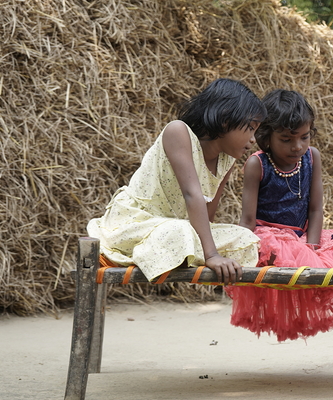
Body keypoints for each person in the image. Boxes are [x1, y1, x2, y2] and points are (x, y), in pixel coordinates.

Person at [226, 89, 333, 348]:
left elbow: (316, 209)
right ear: (266, 136)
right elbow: (248, 219)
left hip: (304, 237)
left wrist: (312, 247)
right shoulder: (258, 164)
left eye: (304, 137)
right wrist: (241, 251)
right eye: (286, 139)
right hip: (269, 238)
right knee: (282, 255)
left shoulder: (312, 157)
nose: (297, 146)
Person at [87, 78, 266, 284]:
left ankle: (179, 251)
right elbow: (192, 194)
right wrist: (211, 255)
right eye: (250, 128)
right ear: (226, 119)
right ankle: (155, 250)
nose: (253, 139)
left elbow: (207, 219)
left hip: (180, 228)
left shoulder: (227, 161)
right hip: (138, 224)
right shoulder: (178, 132)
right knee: (179, 233)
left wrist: (210, 247)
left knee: (244, 238)